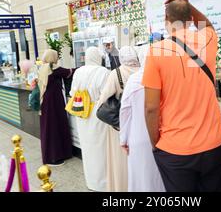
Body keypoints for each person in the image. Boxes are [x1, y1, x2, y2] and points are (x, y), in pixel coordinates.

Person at [142, 0, 221, 192]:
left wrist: (156, 144)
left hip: (175, 148)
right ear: (190, 20)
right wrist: (188, 6)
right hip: (213, 144)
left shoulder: (156, 51)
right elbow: (207, 25)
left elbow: (151, 107)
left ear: (166, 20)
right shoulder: (209, 40)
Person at [120, 45, 165, 192]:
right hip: (162, 137)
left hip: (138, 138)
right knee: (161, 179)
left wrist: (123, 139)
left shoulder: (133, 80)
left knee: (141, 179)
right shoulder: (164, 78)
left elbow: (125, 112)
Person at [97, 45, 140, 192]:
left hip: (120, 125)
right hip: (141, 124)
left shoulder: (116, 73)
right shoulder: (143, 71)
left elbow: (103, 101)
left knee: (121, 161)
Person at [70, 47, 110, 191]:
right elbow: (108, 94)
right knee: (101, 148)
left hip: (82, 114)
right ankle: (103, 183)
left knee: (87, 147)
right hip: (98, 114)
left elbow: (72, 92)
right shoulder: (103, 72)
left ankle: (91, 181)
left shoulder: (78, 71)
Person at [38, 49, 75, 166]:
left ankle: (50, 155)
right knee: (54, 127)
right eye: (56, 56)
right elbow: (69, 72)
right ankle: (54, 157)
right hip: (54, 102)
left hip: (45, 101)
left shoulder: (43, 68)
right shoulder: (54, 69)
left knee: (48, 127)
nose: (57, 58)